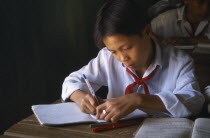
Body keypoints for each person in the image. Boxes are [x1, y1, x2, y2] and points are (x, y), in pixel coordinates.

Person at [62, 0, 204, 123]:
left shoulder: (179, 61)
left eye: (127, 48)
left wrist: (138, 99)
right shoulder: (107, 58)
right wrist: (80, 97)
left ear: (147, 31)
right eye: (114, 51)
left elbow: (193, 100)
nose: (122, 58)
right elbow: (72, 81)